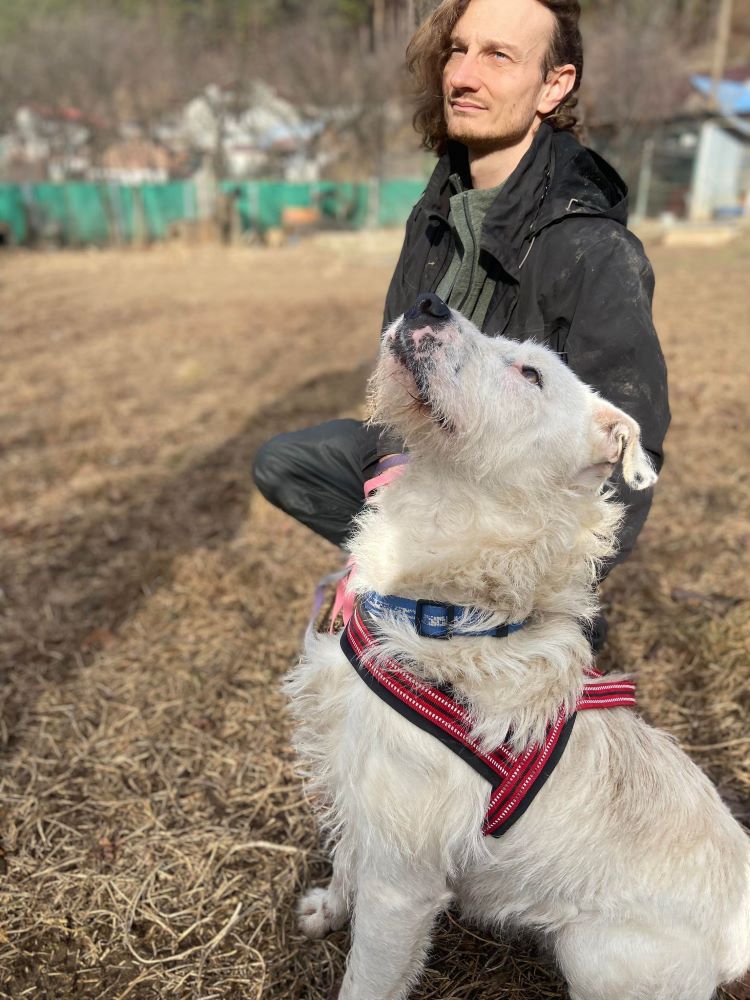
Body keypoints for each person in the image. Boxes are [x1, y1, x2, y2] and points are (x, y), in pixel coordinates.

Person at [252, 0, 670, 649]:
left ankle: (525, 621)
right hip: (436, 462)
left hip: (515, 502)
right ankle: (409, 578)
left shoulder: (592, 249)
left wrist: (549, 591)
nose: (463, 75)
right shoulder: (436, 211)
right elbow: (398, 374)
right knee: (288, 463)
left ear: (553, 85)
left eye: (499, 56)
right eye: (459, 49)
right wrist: (384, 522)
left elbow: (625, 460)